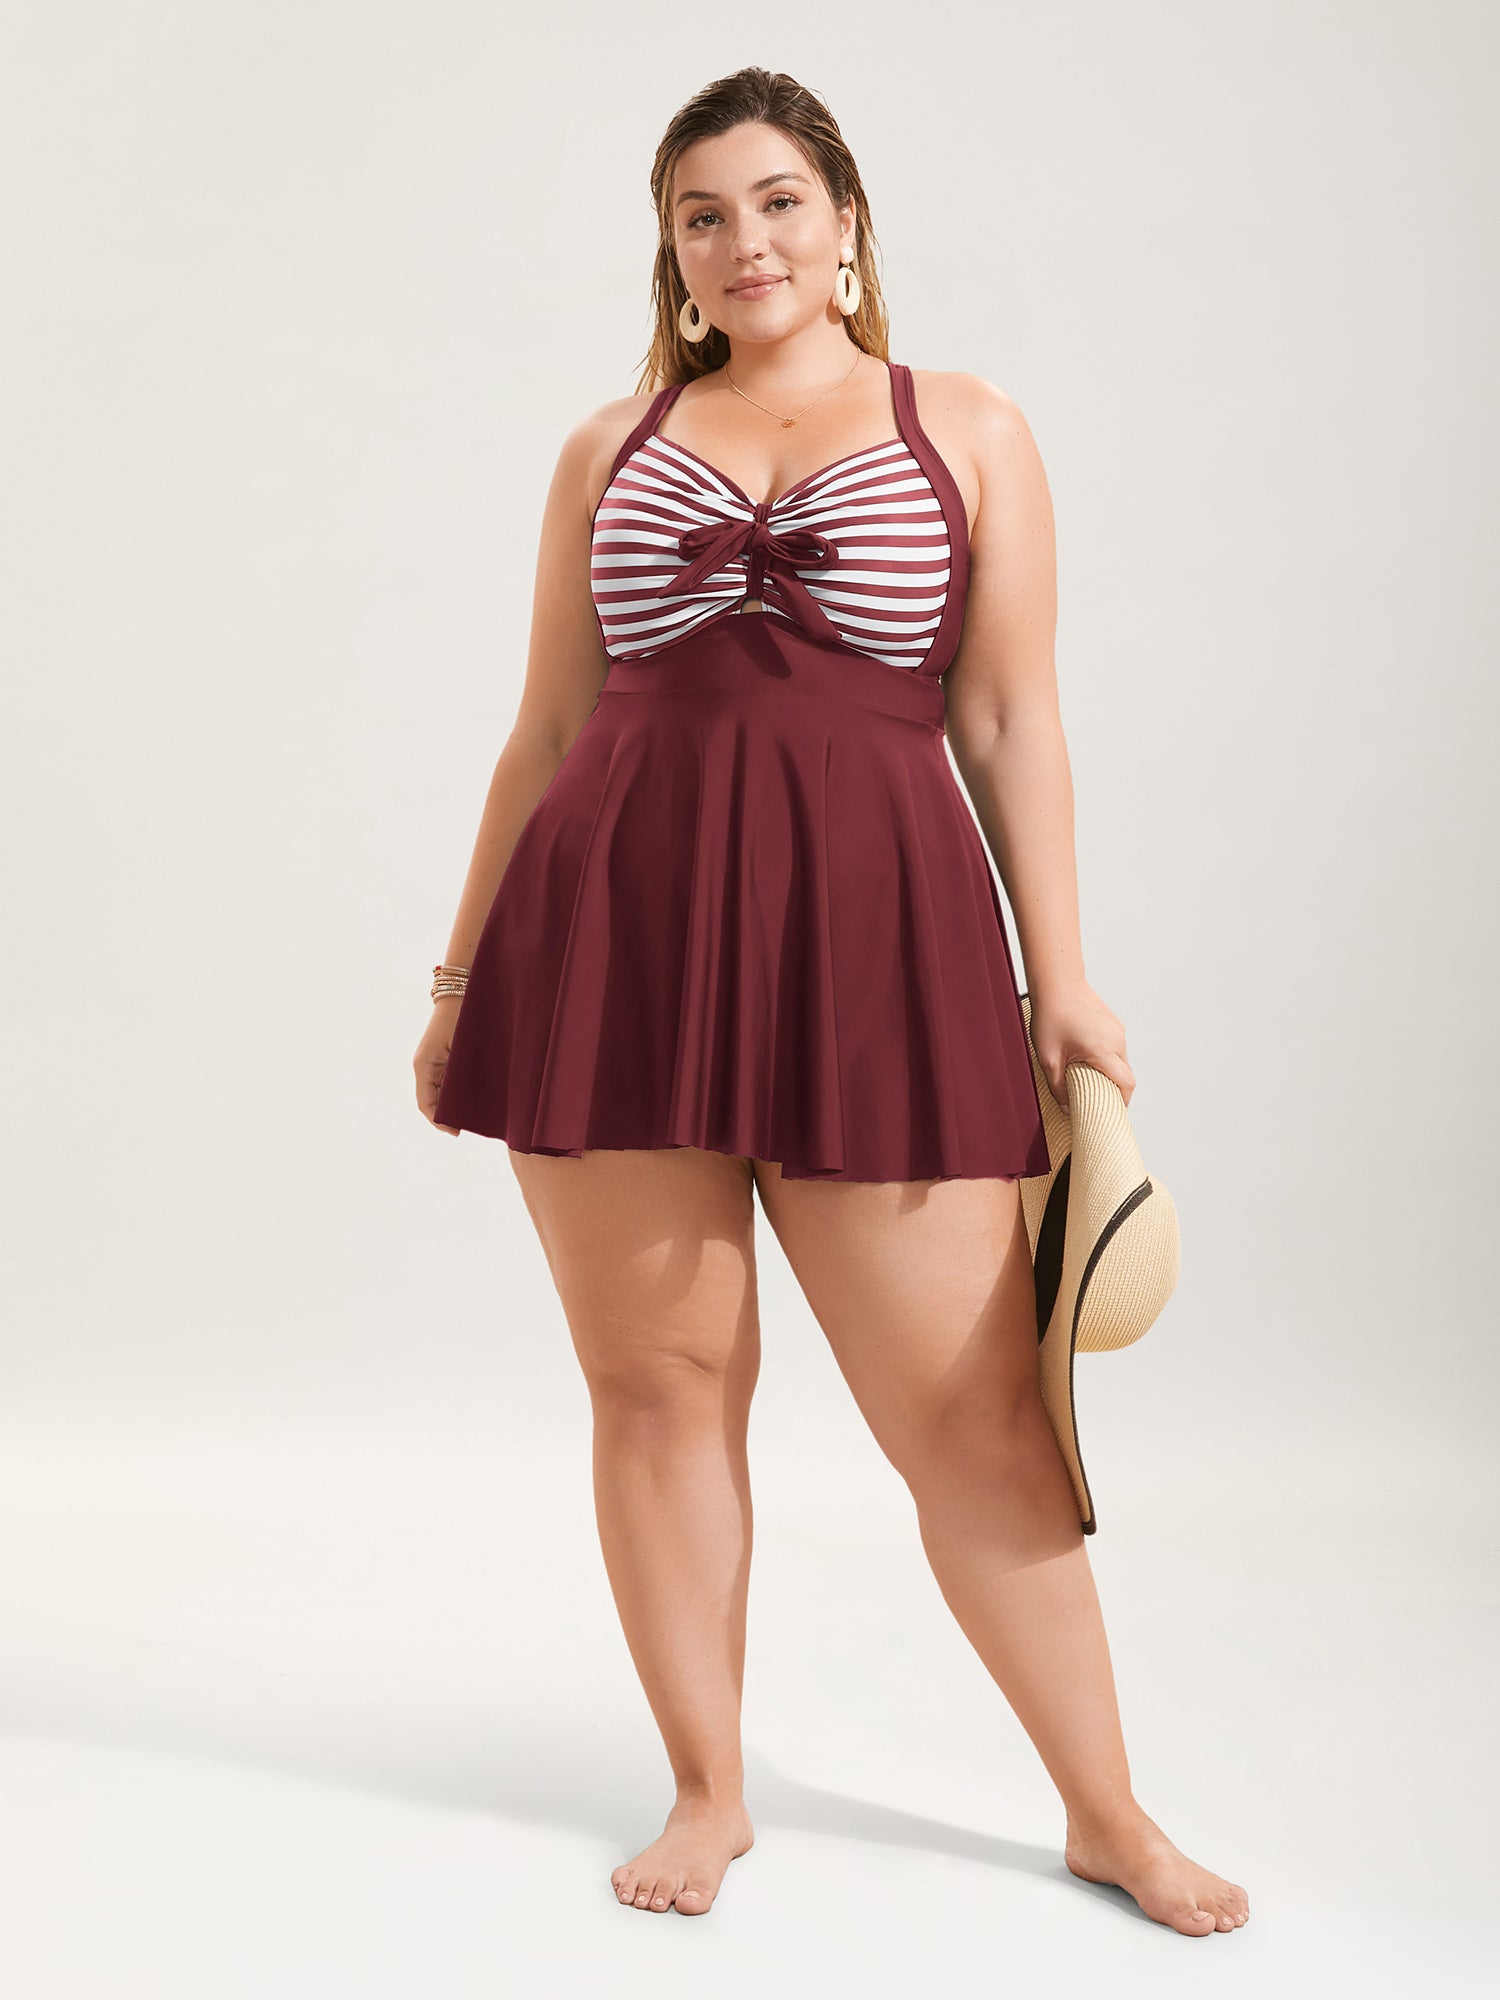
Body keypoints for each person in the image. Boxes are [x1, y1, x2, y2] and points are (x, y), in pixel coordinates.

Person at [414, 66, 1249, 1936]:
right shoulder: (609, 446)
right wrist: (463, 981)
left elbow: (1009, 715)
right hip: (612, 945)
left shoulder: (967, 425)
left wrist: (1061, 976)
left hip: (883, 946)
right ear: (673, 251)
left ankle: (1109, 1813)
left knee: (976, 1418)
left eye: (779, 200)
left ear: (848, 219)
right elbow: (547, 730)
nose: (747, 241)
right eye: (703, 215)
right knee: (658, 1388)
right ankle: (708, 1791)